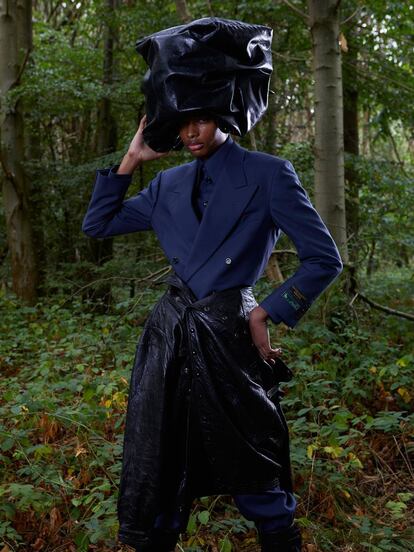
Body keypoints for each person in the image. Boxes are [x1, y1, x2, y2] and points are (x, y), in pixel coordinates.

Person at [82, 113, 343, 551]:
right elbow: (98, 224)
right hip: (170, 338)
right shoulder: (168, 184)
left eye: (201, 121)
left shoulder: (268, 173)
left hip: (230, 335)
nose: (190, 133)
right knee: (162, 466)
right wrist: (132, 156)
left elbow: (324, 259)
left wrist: (265, 312)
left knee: (254, 468)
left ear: (224, 118)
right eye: (182, 123)